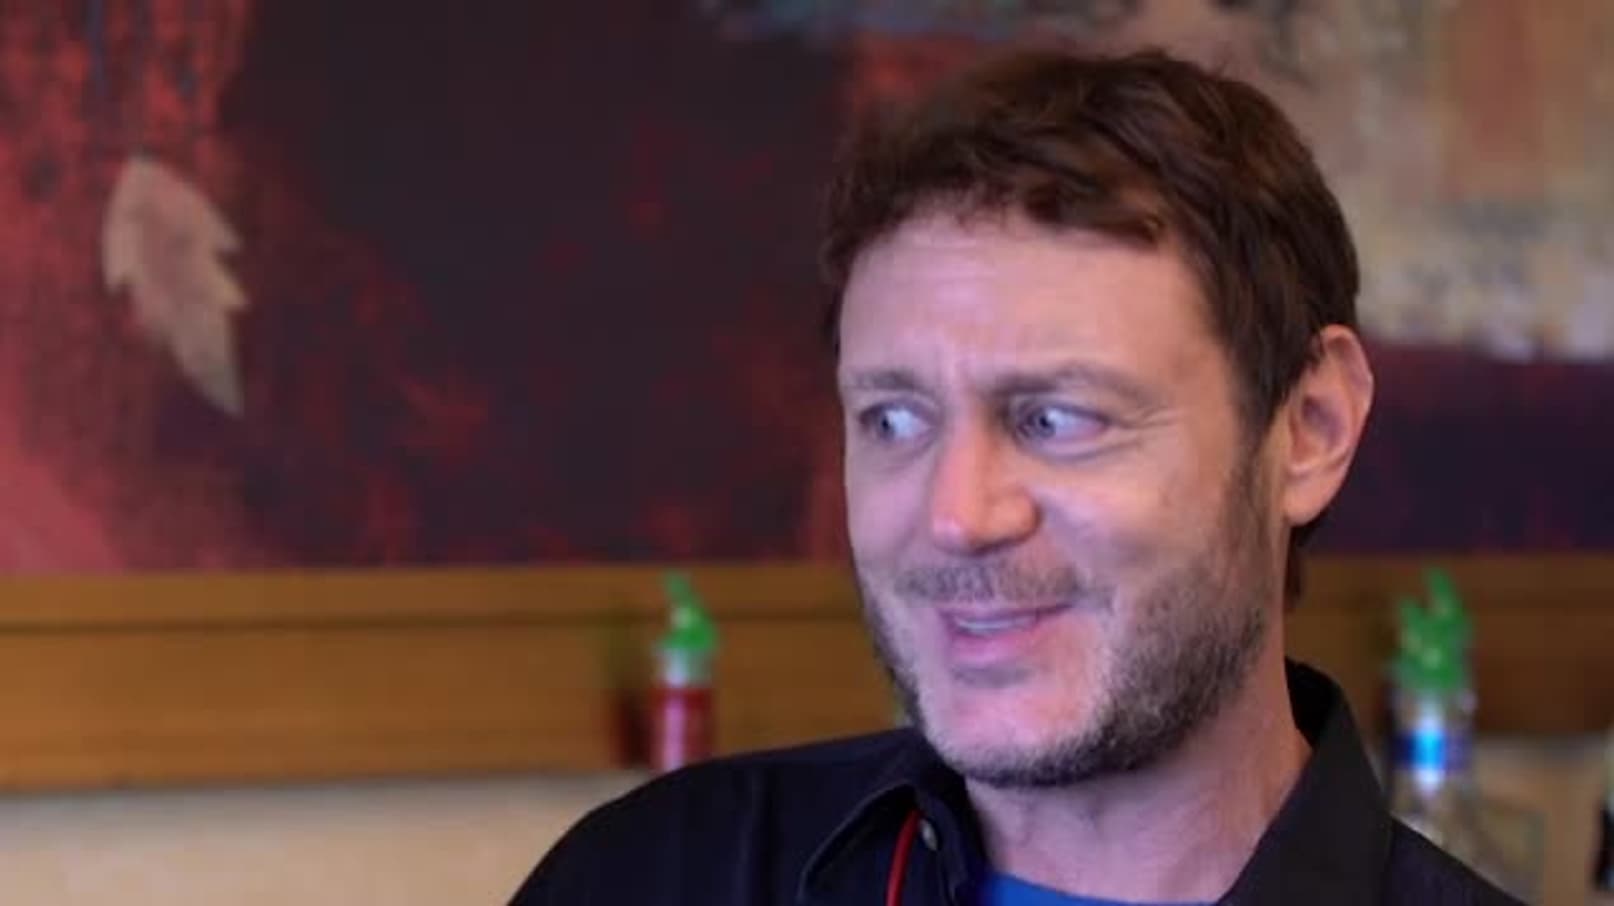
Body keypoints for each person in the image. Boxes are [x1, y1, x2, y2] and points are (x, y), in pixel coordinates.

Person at [509, 48, 1519, 906]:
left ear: (1309, 429)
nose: (958, 516)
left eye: (1056, 419)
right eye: (894, 420)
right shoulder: (654, 876)